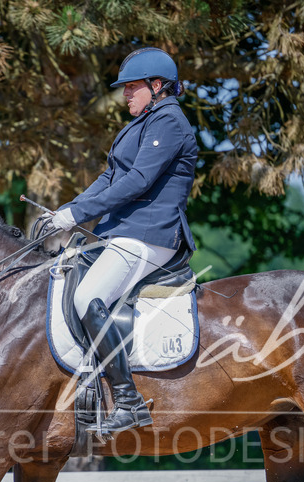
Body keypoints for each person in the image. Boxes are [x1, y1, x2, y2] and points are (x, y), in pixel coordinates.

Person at [47, 47, 198, 436]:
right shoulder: (138, 125)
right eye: (125, 89)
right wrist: (67, 211)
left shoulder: (170, 122)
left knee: (86, 298)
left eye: (133, 87)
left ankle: (128, 400)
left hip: (151, 234)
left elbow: (138, 182)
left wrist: (78, 216)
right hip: (124, 233)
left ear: (157, 86)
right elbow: (110, 178)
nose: (126, 94)